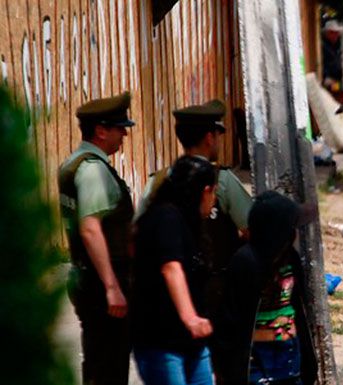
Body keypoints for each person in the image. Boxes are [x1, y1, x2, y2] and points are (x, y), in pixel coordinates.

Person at [136, 99, 252, 384]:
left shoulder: (158, 181)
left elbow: (135, 233)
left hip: (172, 307)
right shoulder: (221, 180)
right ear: (210, 136)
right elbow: (252, 226)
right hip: (209, 298)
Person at [58, 92, 136, 385]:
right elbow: (90, 228)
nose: (124, 134)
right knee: (109, 365)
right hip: (103, 280)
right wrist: (112, 287)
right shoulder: (93, 171)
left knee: (98, 361)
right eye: (119, 128)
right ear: (101, 131)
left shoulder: (74, 163)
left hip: (85, 275)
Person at [132, 156, 218, 385]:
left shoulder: (187, 221)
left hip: (193, 343)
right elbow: (171, 268)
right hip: (163, 342)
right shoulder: (166, 217)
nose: (215, 200)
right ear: (205, 191)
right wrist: (190, 318)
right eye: (214, 193)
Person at [216, 191, 318, 385]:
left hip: (290, 355)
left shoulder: (291, 258)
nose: (295, 233)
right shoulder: (245, 261)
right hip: (257, 360)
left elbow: (299, 308)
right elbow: (231, 320)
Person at [321, 20, 343, 97]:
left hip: (336, 80)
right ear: (327, 33)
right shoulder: (323, 47)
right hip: (328, 82)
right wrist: (326, 79)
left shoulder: (336, 47)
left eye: (337, 33)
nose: (336, 35)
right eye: (333, 33)